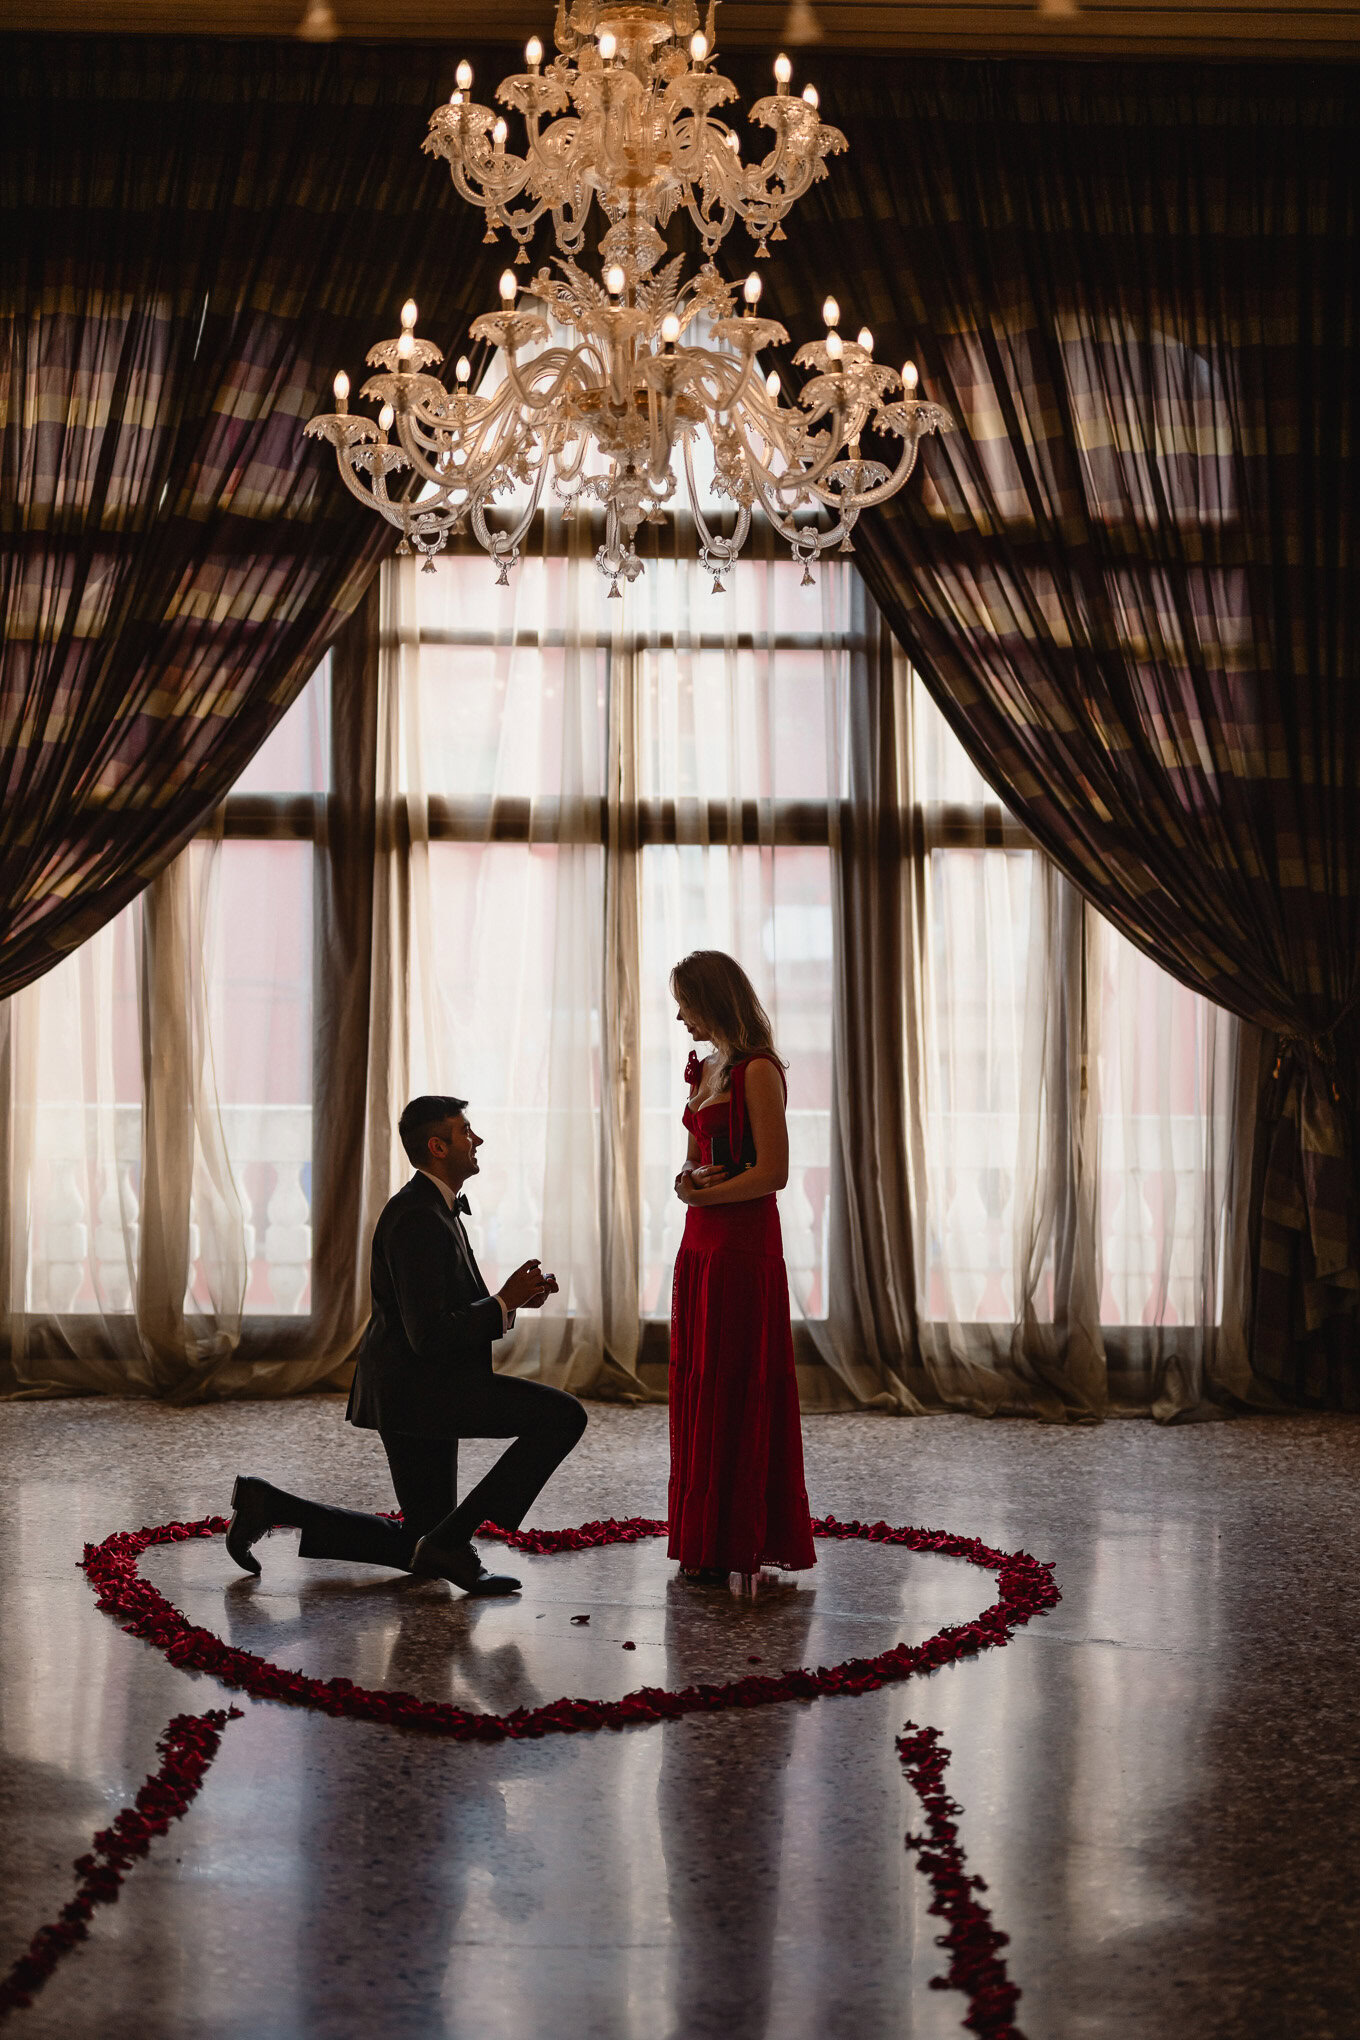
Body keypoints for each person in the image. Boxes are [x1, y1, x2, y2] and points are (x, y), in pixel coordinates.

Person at [225, 1094, 587, 1596]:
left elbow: (442, 1313)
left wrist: (509, 1303)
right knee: (564, 1417)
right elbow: (431, 1335)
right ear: (438, 1146)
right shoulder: (417, 1216)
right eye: (466, 1132)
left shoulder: (433, 1208)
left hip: (414, 1386)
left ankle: (270, 1505)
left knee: (421, 1544)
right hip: (421, 1391)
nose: (476, 1140)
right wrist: (503, 1301)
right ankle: (454, 1539)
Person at [668, 951, 816, 1584]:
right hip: (700, 1243)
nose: (680, 1018)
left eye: (686, 1004)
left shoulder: (758, 1070)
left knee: (735, 1382)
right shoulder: (707, 1069)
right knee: (702, 1383)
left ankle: (736, 1537)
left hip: (742, 1244)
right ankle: (705, 1539)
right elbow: (694, 1160)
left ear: (713, 1001)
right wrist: (686, 1182)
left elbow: (773, 1174)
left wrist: (699, 1193)